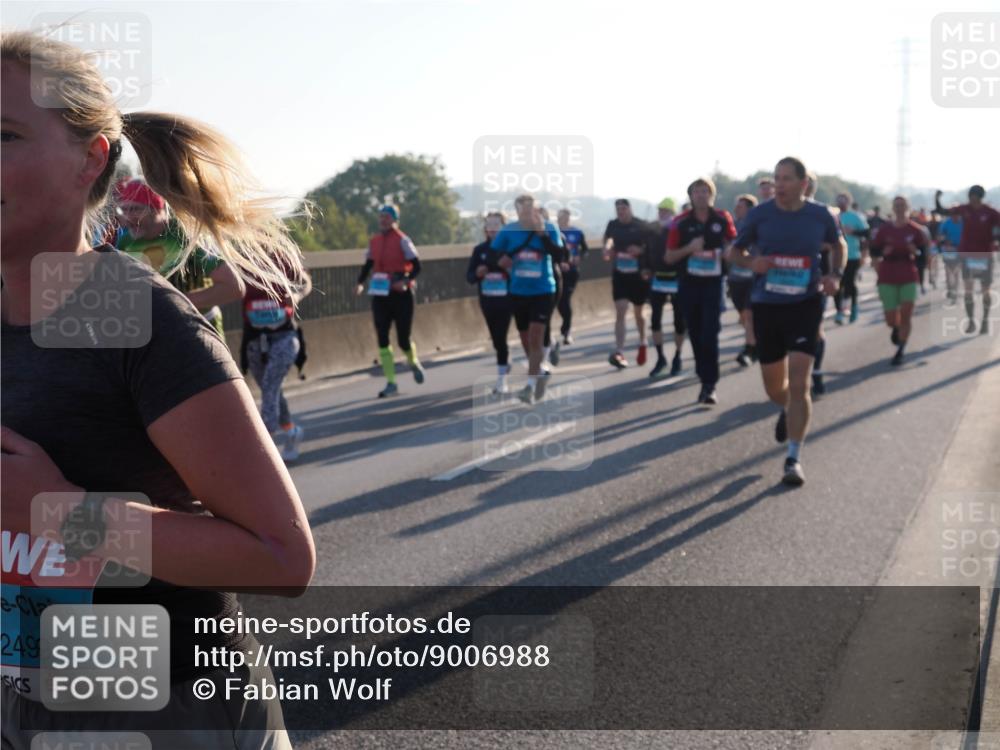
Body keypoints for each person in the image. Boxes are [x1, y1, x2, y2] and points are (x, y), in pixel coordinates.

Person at [1, 30, 313, 749]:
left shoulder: (135, 317)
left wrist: (61, 514)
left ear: (91, 158)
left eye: (3, 135)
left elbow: (280, 556)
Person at [728, 157, 843, 486]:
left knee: (800, 382)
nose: (779, 184)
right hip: (768, 306)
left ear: (803, 184)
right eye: (776, 178)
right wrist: (753, 263)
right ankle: (787, 409)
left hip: (806, 304)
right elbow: (734, 253)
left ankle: (793, 457)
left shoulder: (820, 215)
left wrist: (835, 274)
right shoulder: (760, 215)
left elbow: (839, 245)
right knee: (774, 388)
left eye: (787, 179)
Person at [113, 178, 244, 337]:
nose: (127, 217)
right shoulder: (126, 242)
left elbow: (233, 287)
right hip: (157, 336)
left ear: (157, 209)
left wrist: (174, 304)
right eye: (123, 210)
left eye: (135, 209)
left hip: (198, 332)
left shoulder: (187, 235)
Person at [665, 177, 737, 405]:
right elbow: (669, 256)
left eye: (705, 191)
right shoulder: (680, 222)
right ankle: (702, 372)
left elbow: (734, 243)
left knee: (710, 333)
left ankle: (709, 384)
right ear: (691, 196)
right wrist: (690, 248)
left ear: (712, 195)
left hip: (714, 283)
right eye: (697, 192)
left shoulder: (722, 218)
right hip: (689, 284)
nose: (701, 195)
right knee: (695, 333)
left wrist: (729, 250)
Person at [489, 194, 564, 404]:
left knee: (536, 335)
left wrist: (542, 235)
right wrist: (500, 260)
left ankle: (529, 386)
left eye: (530, 210)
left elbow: (560, 255)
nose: (526, 214)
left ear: (536, 210)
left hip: (543, 290)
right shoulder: (509, 230)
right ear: (517, 211)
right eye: (522, 210)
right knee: (525, 338)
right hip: (518, 291)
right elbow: (492, 254)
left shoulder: (549, 228)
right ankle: (539, 371)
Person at [242, 260, 312, 460]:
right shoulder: (240, 259)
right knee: (270, 390)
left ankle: (265, 447)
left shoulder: (281, 257)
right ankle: (291, 431)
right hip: (255, 339)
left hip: (284, 337)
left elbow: (305, 281)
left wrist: (296, 296)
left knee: (270, 386)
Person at [355, 205, 425, 398]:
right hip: (380, 294)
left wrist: (405, 281)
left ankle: (413, 361)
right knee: (382, 337)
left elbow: (417, 266)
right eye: (381, 217)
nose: (383, 220)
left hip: (401, 295)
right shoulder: (374, 241)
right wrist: (360, 283)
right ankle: (391, 382)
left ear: (395, 219)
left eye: (386, 217)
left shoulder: (403, 240)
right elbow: (368, 264)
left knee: (403, 339)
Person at [869, 196, 927, 366]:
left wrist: (915, 252)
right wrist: (882, 255)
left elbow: (923, 256)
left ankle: (900, 350)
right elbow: (874, 252)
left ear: (908, 207)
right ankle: (896, 328)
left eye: (902, 205)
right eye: (897, 205)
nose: (900, 208)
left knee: (906, 315)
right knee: (890, 319)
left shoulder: (916, 230)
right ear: (893, 208)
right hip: (887, 275)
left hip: (908, 274)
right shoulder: (884, 229)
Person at [935, 185, 1000, 334]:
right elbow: (942, 211)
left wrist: (996, 238)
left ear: (980, 197)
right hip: (967, 255)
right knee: (968, 290)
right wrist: (937, 199)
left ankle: (985, 320)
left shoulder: (990, 212)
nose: (971, 200)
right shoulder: (964, 209)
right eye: (970, 197)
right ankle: (971, 321)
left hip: (985, 255)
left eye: (974, 197)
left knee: (985, 290)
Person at [603, 199, 653, 369]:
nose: (621, 212)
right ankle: (619, 351)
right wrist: (607, 249)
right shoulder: (613, 224)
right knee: (621, 311)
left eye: (623, 208)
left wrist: (640, 251)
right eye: (618, 209)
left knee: (639, 313)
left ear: (630, 209)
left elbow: (651, 246)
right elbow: (608, 239)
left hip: (638, 276)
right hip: (620, 275)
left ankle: (643, 341)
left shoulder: (641, 225)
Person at [467, 212, 513, 394]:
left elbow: (518, 274)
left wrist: (507, 269)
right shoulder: (480, 250)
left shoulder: (510, 249)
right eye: (489, 224)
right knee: (496, 338)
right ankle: (505, 361)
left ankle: (502, 380)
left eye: (496, 224)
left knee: (501, 336)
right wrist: (478, 273)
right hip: (487, 300)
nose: (492, 228)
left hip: (507, 300)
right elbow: (469, 276)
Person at [648, 197, 686, 378]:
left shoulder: (679, 229)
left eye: (665, 211)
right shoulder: (653, 230)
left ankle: (678, 357)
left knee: (679, 321)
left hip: (677, 279)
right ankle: (660, 358)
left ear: (673, 213)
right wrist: (645, 268)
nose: (662, 214)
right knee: (655, 320)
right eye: (660, 211)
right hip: (658, 280)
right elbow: (647, 251)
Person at [729, 194, 759, 366]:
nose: (736, 209)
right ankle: (755, 341)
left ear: (750, 209)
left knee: (748, 314)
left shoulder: (758, 225)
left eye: (740, 206)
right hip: (735, 278)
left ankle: (750, 349)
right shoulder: (732, 225)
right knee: (743, 316)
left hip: (753, 278)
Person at [833, 191, 869, 324]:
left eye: (844, 200)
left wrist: (853, 231)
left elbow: (867, 233)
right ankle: (839, 311)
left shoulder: (855, 217)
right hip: (836, 256)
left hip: (853, 255)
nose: (841, 202)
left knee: (849, 283)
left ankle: (853, 307)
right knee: (837, 283)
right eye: (839, 199)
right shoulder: (833, 216)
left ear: (849, 202)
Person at [556, 208, 588, 346]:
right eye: (561, 217)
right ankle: (564, 326)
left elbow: (585, 250)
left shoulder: (577, 232)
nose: (563, 220)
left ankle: (566, 330)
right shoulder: (553, 232)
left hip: (571, 271)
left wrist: (579, 257)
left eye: (566, 217)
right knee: (558, 301)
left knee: (565, 298)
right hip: (557, 271)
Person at [938, 211, 964, 304]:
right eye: (953, 214)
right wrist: (945, 241)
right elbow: (940, 236)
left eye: (957, 214)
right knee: (948, 270)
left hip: (959, 250)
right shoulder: (946, 223)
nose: (955, 216)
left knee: (956, 271)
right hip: (948, 249)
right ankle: (949, 288)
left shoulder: (963, 222)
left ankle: (955, 291)